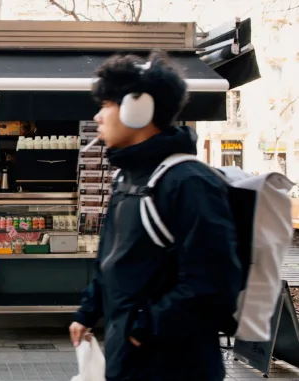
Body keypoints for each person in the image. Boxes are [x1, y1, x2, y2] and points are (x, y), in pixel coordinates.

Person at [69, 50, 242, 381]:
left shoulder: (188, 182)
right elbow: (113, 263)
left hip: (175, 368)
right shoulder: (127, 179)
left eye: (107, 105)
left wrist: (144, 327)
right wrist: (88, 312)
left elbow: (215, 284)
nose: (98, 117)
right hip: (129, 362)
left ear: (138, 109)